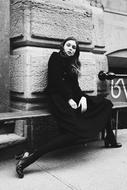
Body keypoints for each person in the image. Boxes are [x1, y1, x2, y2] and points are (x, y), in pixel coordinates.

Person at [16, 36, 122, 178]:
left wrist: (83, 98)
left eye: (74, 47)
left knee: (105, 104)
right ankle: (29, 158)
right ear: (63, 46)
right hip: (58, 100)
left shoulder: (73, 63)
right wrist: (69, 99)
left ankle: (110, 137)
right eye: (69, 45)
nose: (71, 48)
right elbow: (56, 81)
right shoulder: (55, 58)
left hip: (74, 98)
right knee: (74, 132)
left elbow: (75, 87)